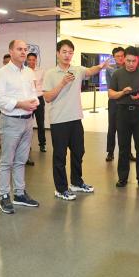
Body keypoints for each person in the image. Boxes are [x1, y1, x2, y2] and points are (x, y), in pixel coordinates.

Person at [43, 39, 110, 200]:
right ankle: (61, 189)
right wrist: (62, 83)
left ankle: (76, 182)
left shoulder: (77, 69)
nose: (67, 55)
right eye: (64, 52)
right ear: (58, 53)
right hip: (59, 121)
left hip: (76, 119)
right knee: (60, 156)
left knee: (79, 152)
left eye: (70, 52)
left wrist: (101, 66)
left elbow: (90, 71)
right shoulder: (50, 73)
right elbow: (47, 97)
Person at [0, 40, 41, 214]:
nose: (23, 52)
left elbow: (33, 92)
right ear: (11, 51)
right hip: (11, 121)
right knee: (7, 161)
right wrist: (21, 104)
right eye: (19, 49)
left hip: (28, 121)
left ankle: (19, 194)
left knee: (21, 160)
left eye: (25, 49)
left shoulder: (29, 72)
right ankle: (4, 195)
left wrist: (34, 101)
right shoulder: (2, 73)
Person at [108, 46, 139, 189]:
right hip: (122, 113)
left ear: (138, 60)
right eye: (128, 60)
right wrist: (122, 92)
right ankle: (122, 178)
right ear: (124, 59)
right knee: (123, 147)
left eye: (134, 61)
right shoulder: (117, 74)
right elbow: (111, 94)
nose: (131, 64)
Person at [105, 47, 126, 161]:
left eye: (122, 56)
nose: (120, 58)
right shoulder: (110, 69)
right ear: (114, 57)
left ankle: (127, 152)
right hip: (113, 100)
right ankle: (110, 152)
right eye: (117, 56)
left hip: (126, 100)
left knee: (126, 128)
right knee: (112, 127)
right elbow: (111, 87)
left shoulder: (129, 68)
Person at [25, 51, 47, 152]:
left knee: (40, 123)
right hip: (28, 100)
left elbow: (45, 84)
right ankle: (26, 145)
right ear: (27, 60)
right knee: (27, 124)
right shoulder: (23, 71)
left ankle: (42, 144)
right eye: (29, 60)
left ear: (36, 61)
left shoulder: (41, 71)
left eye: (33, 60)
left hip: (39, 99)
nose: (31, 62)